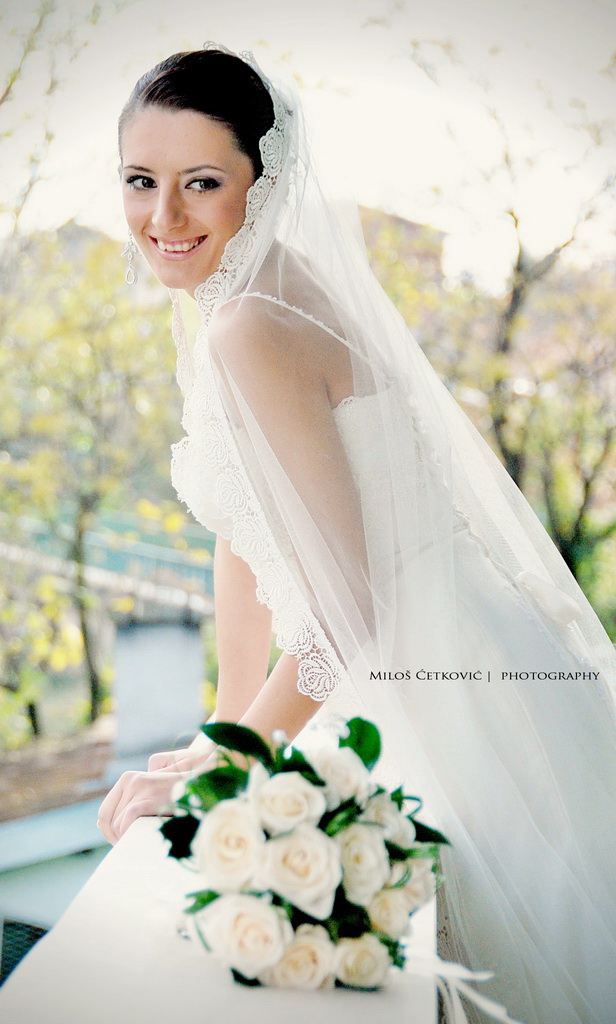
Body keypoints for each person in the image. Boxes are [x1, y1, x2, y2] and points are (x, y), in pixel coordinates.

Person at [98, 45, 616, 1024]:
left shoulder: (247, 324)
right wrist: (228, 716)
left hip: (416, 679)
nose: (162, 219)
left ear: (264, 180)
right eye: (140, 182)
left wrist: (236, 759)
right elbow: (255, 533)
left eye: (199, 183)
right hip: (437, 647)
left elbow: (350, 605)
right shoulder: (261, 287)